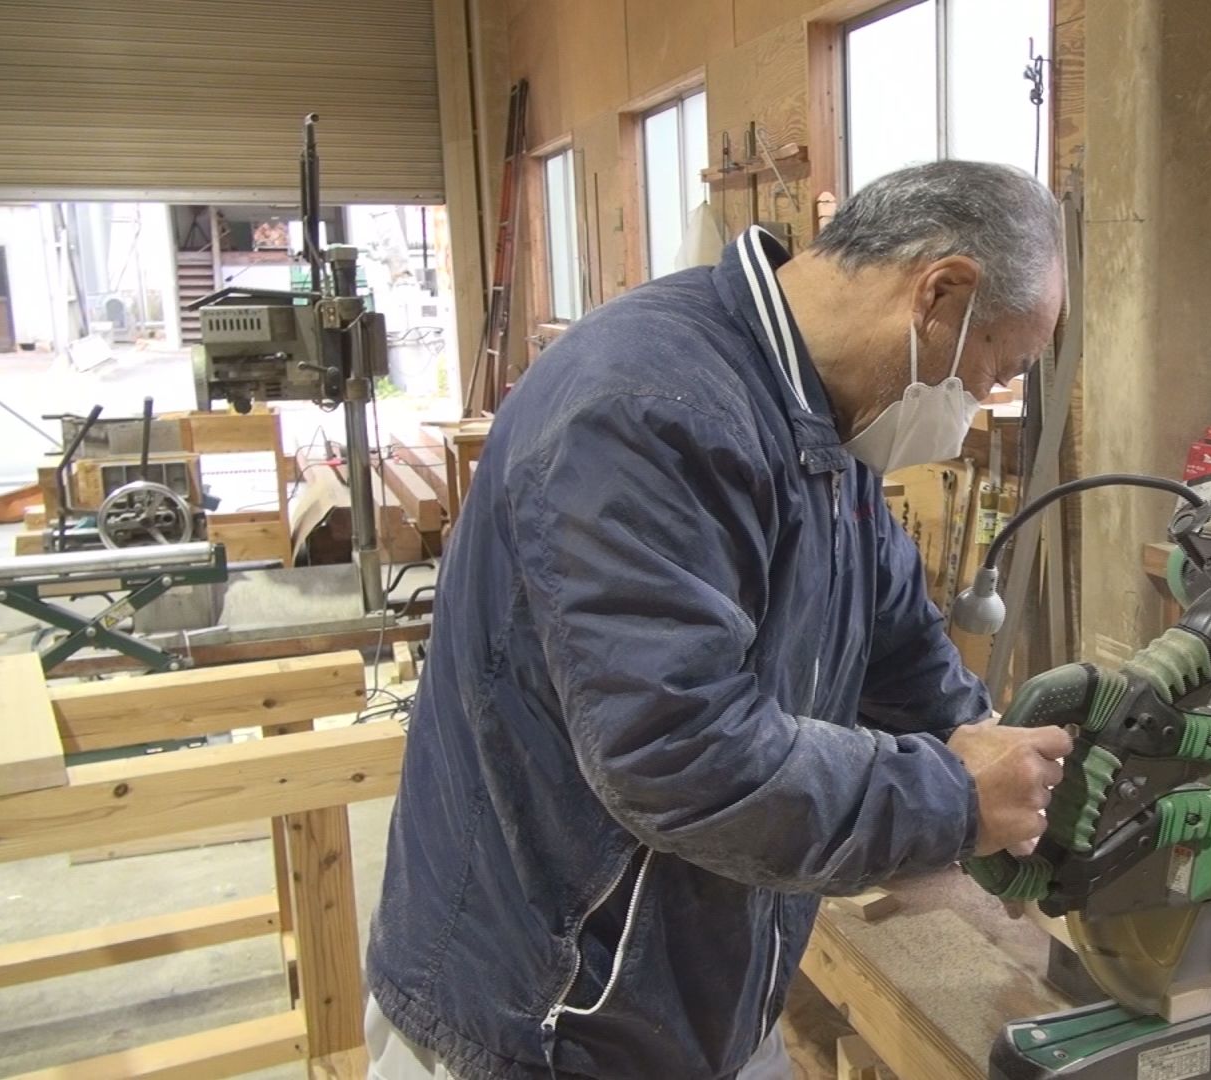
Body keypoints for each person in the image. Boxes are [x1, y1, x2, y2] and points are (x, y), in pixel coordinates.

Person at [364, 161, 1073, 1080]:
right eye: (997, 370)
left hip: (692, 996)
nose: (987, 400)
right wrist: (952, 799)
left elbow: (900, 652)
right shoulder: (648, 410)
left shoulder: (823, 418)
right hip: (543, 1017)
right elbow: (676, 754)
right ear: (939, 296)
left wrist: (1003, 760)